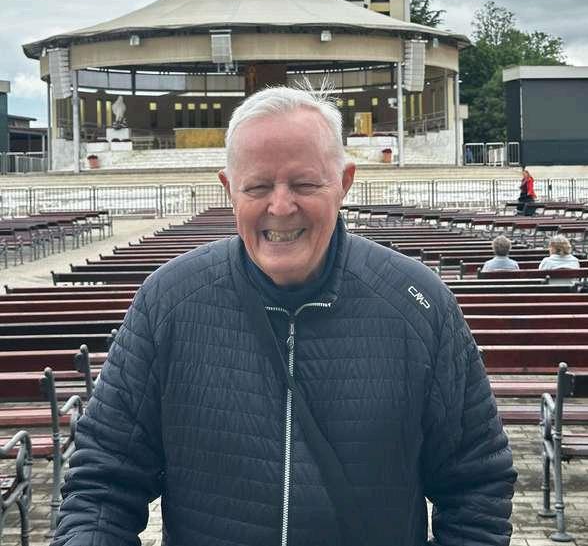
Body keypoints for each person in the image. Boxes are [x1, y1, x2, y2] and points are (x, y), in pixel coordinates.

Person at [53, 85, 516, 546]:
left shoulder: (419, 304)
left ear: (344, 183)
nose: (280, 206)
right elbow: (103, 484)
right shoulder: (167, 302)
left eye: (304, 184)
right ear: (229, 189)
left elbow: (476, 484)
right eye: (257, 187)